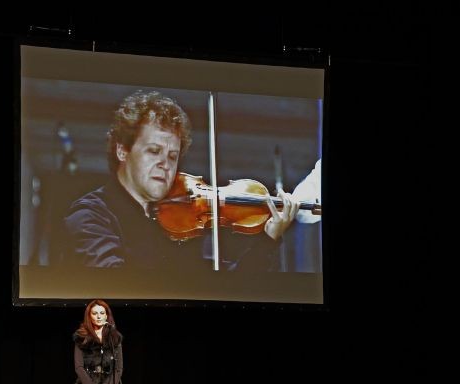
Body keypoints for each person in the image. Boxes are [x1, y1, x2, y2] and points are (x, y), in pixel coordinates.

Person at [62, 90, 300, 270]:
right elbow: (117, 288)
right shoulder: (89, 217)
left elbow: (227, 290)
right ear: (122, 151)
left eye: (172, 156)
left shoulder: (181, 221)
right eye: (154, 151)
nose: (165, 164)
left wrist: (268, 239)